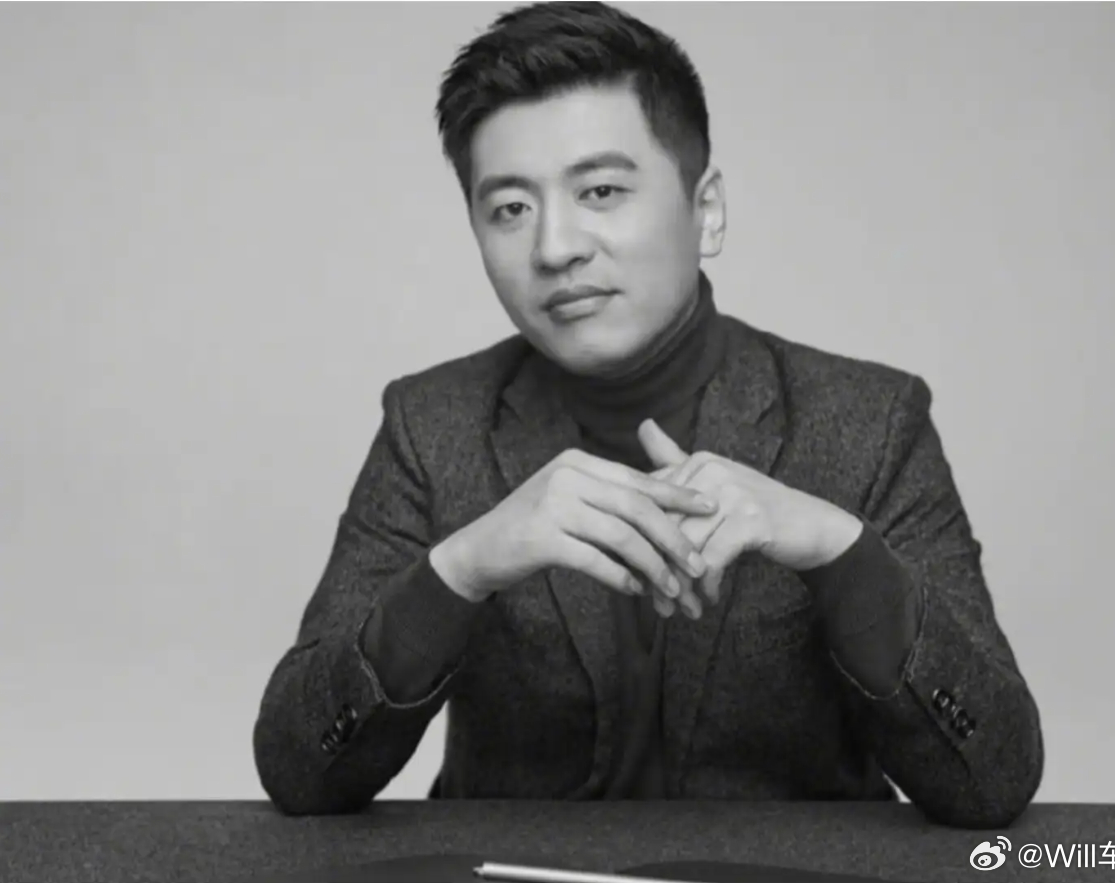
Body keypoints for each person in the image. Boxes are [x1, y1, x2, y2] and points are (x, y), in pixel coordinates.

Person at [252, 1, 1044, 829]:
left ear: (707, 211)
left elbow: (992, 778)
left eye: (600, 190)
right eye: (510, 208)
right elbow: (300, 771)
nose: (554, 247)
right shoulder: (431, 424)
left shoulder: (870, 421)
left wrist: (837, 550)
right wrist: (462, 568)